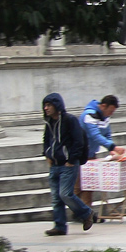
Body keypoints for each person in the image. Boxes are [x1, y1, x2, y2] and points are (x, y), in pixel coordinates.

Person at [42, 92, 93, 235]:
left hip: (68, 165)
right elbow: (46, 139)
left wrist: (72, 160)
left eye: (49, 105)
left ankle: (86, 213)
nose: (46, 108)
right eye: (45, 105)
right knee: (56, 198)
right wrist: (46, 154)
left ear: (56, 105)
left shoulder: (70, 120)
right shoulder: (49, 122)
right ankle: (59, 226)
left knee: (65, 194)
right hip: (55, 164)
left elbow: (79, 141)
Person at [78, 95, 121, 208]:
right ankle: (78, 212)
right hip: (78, 155)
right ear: (103, 106)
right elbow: (95, 135)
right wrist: (112, 147)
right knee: (78, 186)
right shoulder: (89, 115)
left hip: (90, 154)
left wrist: (111, 150)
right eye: (110, 111)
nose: (111, 114)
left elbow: (107, 134)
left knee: (89, 185)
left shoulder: (105, 116)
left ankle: (87, 214)